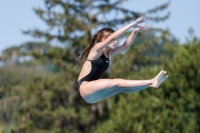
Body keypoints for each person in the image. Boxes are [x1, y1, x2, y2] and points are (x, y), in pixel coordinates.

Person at [76, 17, 168, 104]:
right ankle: (151, 81)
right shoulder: (96, 50)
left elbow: (124, 47)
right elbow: (112, 38)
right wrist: (132, 24)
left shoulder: (108, 53)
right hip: (85, 87)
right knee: (118, 82)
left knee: (121, 88)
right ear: (104, 39)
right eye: (114, 40)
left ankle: (151, 84)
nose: (116, 42)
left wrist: (134, 32)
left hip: (91, 97)